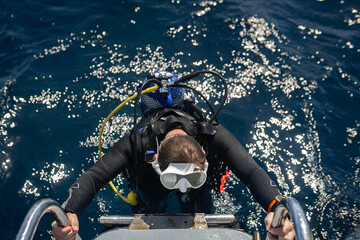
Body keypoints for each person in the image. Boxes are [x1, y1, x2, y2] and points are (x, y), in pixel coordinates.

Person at [51, 72, 295, 240]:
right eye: (172, 180)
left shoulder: (211, 135)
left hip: (191, 180)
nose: (183, 188)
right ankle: (167, 187)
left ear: (203, 153)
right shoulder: (137, 142)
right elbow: (94, 177)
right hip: (151, 184)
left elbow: (252, 173)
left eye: (193, 178)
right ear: (155, 160)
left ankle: (189, 184)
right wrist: (70, 211)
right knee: (149, 209)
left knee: (199, 208)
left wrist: (277, 207)